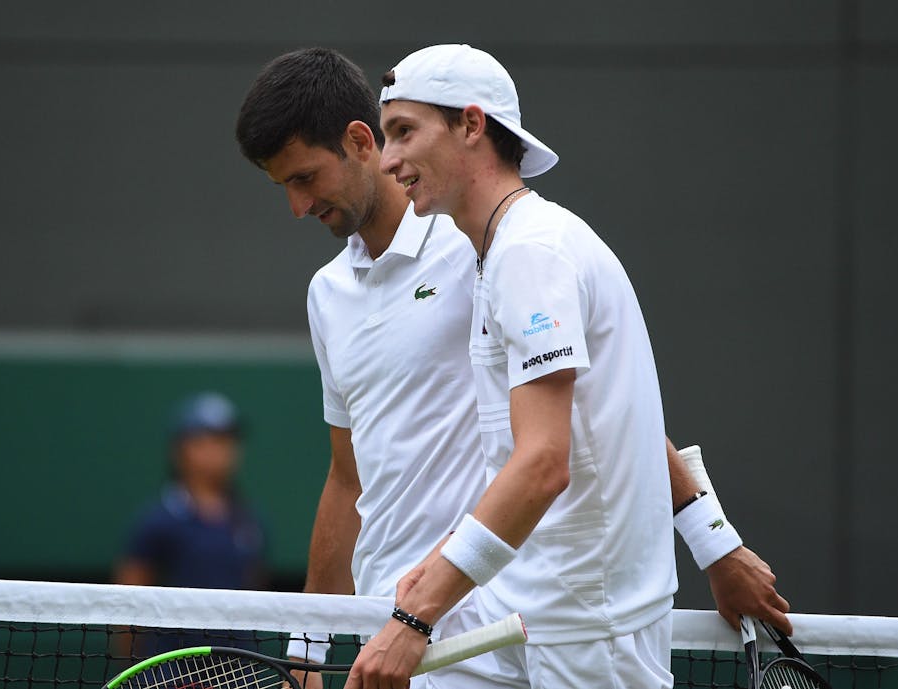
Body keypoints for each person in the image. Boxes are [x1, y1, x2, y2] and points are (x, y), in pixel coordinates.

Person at [234, 47, 788, 688]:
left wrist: (713, 539)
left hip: (482, 620)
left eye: (305, 179)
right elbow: (348, 476)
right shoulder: (344, 291)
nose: (297, 208)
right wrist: (308, 645)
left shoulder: (508, 248)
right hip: (405, 625)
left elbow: (592, 419)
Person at [113, 391, 268, 654]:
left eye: (226, 441)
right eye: (206, 440)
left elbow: (254, 591)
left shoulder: (250, 522)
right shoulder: (156, 522)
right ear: (181, 450)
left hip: (236, 670)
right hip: (168, 671)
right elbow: (129, 605)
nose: (219, 451)